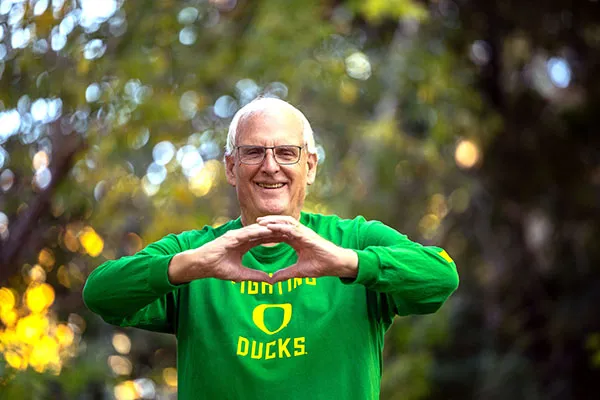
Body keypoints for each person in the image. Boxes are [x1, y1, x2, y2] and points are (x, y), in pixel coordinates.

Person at [83, 97, 459, 400]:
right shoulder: (195, 251)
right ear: (231, 168)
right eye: (252, 153)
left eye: (286, 153)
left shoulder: (354, 241)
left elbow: (441, 277)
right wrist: (188, 267)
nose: (270, 166)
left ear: (309, 167)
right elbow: (101, 293)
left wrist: (346, 263)